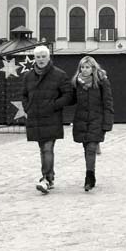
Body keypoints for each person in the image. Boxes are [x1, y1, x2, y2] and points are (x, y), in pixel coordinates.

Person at [58, 55, 114, 192]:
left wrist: (107, 123)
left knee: (91, 148)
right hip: (81, 120)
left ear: (93, 68)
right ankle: (90, 172)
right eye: (82, 67)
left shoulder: (102, 81)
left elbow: (108, 102)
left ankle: (89, 177)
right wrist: (58, 98)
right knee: (86, 148)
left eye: (87, 67)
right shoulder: (76, 83)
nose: (84, 70)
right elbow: (72, 100)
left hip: (97, 119)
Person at [20, 45, 72, 194]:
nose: (41, 59)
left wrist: (53, 106)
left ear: (49, 57)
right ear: (34, 59)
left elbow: (68, 95)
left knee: (47, 148)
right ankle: (50, 176)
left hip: (51, 118)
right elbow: (24, 95)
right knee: (43, 149)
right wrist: (28, 107)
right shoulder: (28, 76)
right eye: (38, 57)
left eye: (43, 56)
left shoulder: (59, 75)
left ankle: (46, 179)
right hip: (35, 118)